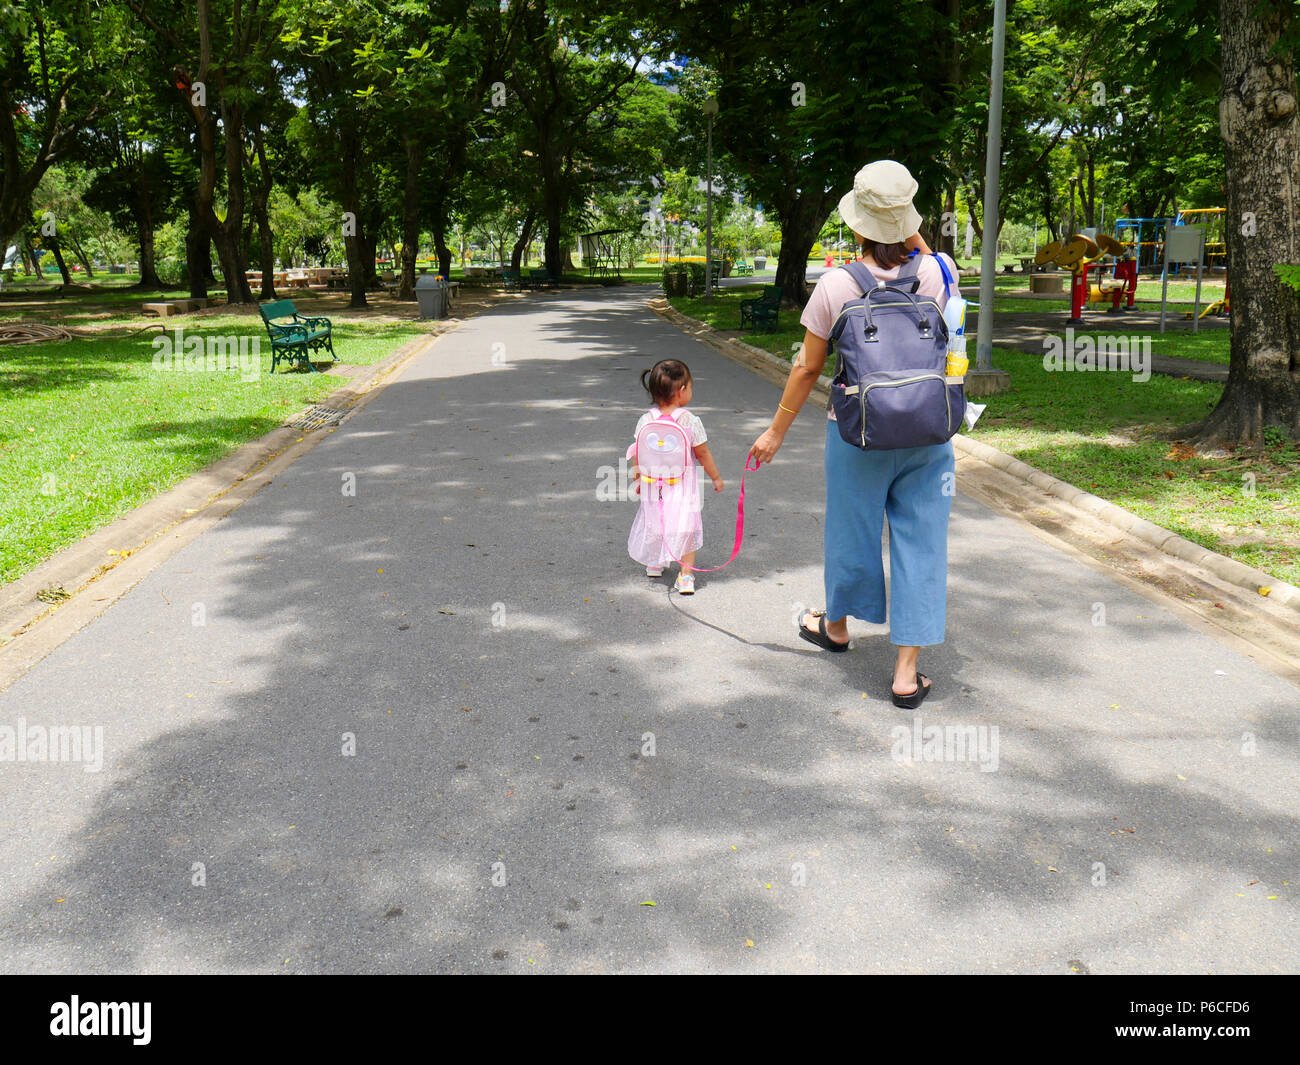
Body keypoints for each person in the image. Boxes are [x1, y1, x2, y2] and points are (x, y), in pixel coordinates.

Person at [748, 160, 960, 707]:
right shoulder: (939, 271)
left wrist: (774, 433)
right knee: (922, 543)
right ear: (908, 217)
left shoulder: (836, 285)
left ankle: (836, 628)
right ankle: (906, 675)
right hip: (928, 432)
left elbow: (805, 369)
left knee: (851, 532)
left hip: (856, 435)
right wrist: (901, 223)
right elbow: (925, 250)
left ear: (857, 224)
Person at [627, 359, 724, 595]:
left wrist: (637, 478)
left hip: (652, 483)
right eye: (690, 386)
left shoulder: (646, 419)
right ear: (681, 392)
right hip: (681, 485)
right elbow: (702, 453)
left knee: (655, 519)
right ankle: (686, 575)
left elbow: (637, 452)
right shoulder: (689, 421)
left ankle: (654, 563)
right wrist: (716, 477)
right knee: (685, 525)